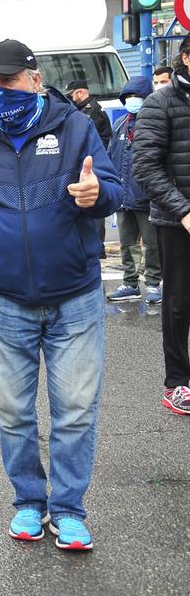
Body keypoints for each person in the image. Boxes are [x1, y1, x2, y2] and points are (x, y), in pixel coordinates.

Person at [0, 39, 122, 551]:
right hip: (5, 300)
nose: (0, 91)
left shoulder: (76, 128)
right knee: (13, 411)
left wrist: (95, 196)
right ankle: (28, 501)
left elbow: (113, 189)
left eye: (9, 80)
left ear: (35, 80)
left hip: (77, 298)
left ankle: (68, 509)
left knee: (76, 409)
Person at [133, 34, 190, 416]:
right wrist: (184, 211)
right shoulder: (161, 102)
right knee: (179, 303)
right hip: (177, 222)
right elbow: (146, 167)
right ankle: (178, 383)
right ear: (186, 58)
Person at [106, 77, 161, 304]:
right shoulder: (120, 124)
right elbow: (111, 157)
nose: (132, 101)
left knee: (152, 245)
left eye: (136, 97)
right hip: (123, 196)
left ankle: (154, 284)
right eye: (128, 97)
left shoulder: (155, 123)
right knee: (127, 244)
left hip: (147, 197)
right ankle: (130, 283)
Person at [65, 79, 112, 255]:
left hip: (92, 164)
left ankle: (97, 246)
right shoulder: (79, 111)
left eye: (72, 95)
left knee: (94, 203)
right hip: (81, 164)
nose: (71, 99)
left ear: (81, 92)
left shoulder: (92, 111)